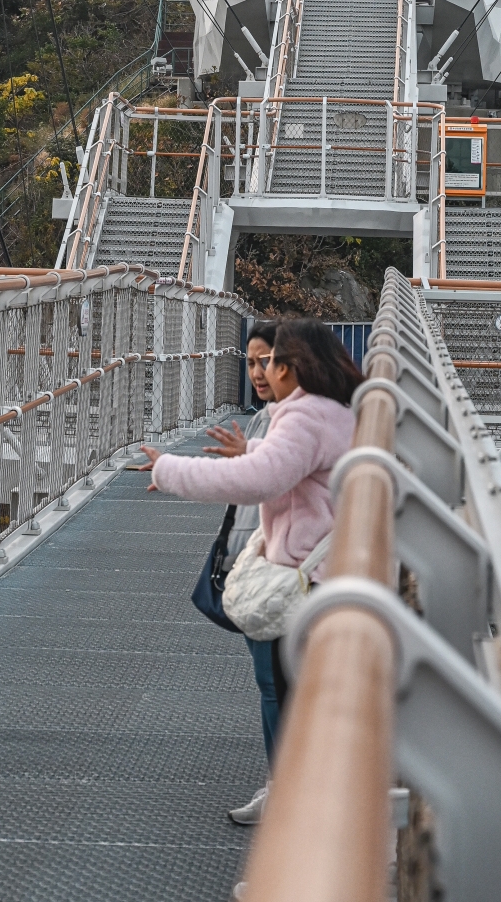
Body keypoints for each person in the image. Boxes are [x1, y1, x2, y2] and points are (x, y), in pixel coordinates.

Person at [140, 319, 363, 824]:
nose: (263, 371)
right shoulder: (333, 412)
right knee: (296, 693)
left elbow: (259, 482)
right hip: (329, 574)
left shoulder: (304, 416)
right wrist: (257, 449)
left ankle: (290, 803)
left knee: (282, 690)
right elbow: (302, 465)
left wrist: (168, 469)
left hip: (304, 582)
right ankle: (293, 792)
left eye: (271, 362)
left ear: (290, 367)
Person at [202, 321, 279, 803]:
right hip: (257, 561)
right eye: (250, 362)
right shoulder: (262, 416)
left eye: (267, 361)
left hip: (274, 566)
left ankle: (285, 790)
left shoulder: (288, 421)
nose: (257, 372)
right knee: (270, 680)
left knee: (273, 681)